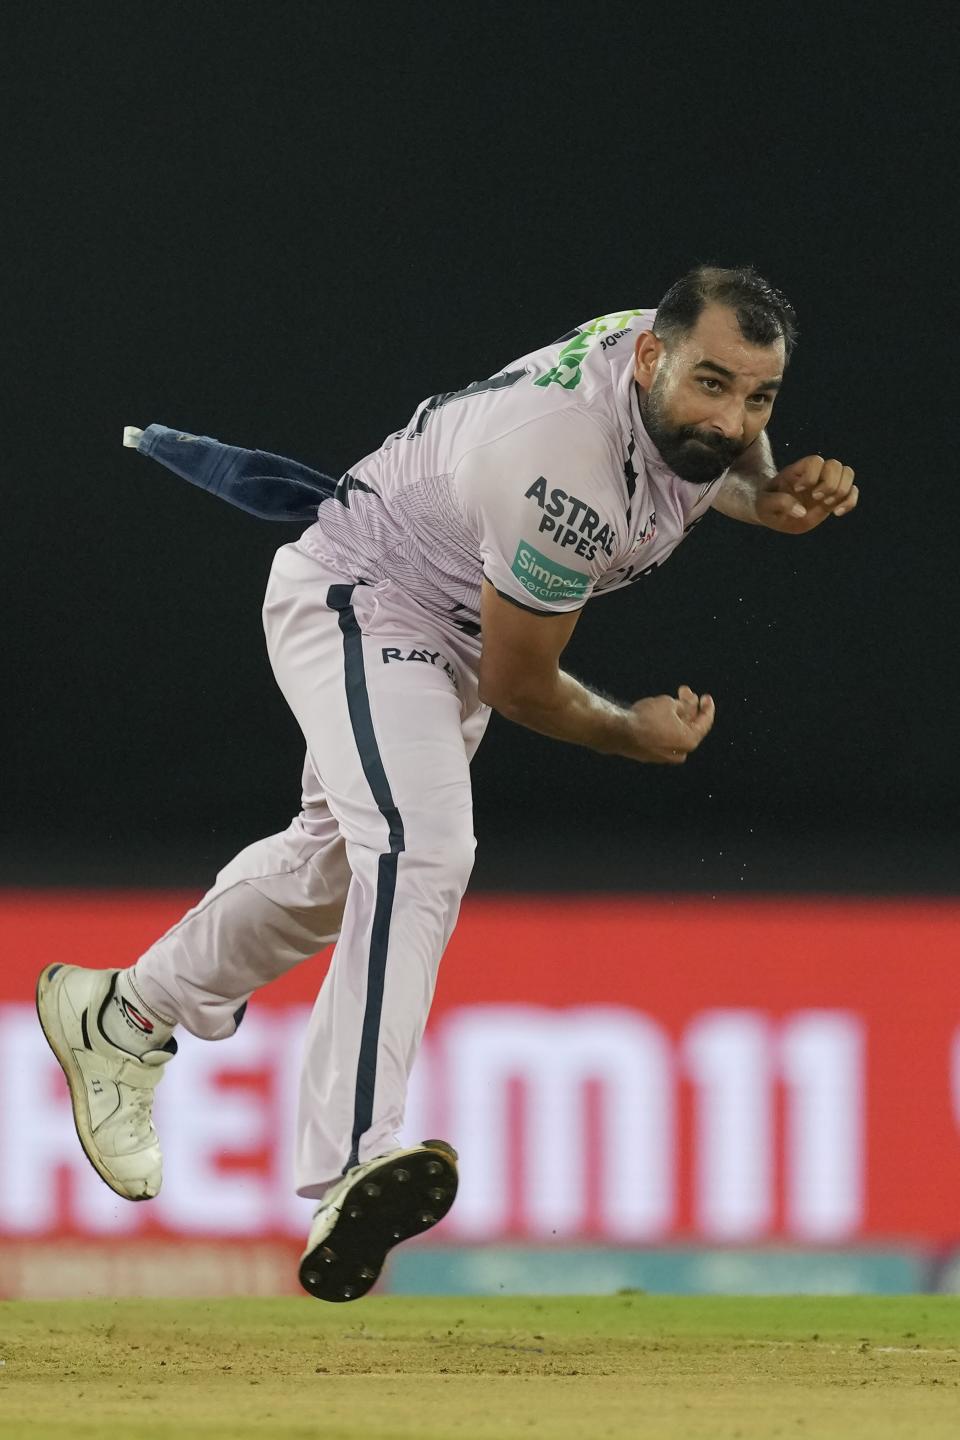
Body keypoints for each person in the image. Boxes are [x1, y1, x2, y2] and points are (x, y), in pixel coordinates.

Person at [37, 266, 858, 1302]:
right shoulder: (567, 477)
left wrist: (768, 498)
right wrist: (630, 732)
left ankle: (123, 1017)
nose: (733, 417)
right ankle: (352, 1159)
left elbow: (714, 461)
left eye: (760, 397)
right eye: (713, 385)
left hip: (444, 629)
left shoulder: (663, 366)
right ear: (649, 357)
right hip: (366, 599)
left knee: (336, 869)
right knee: (421, 847)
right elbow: (520, 685)